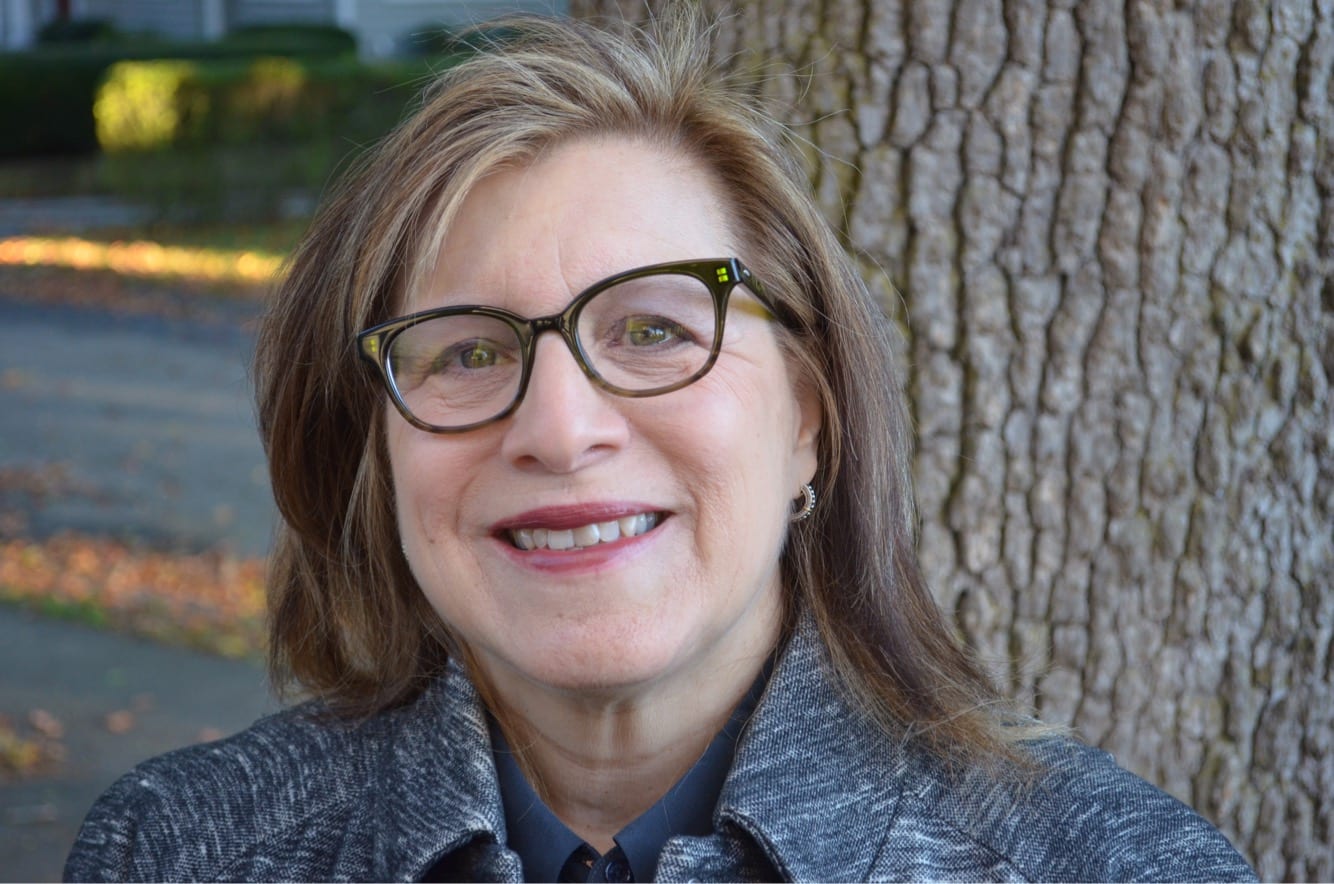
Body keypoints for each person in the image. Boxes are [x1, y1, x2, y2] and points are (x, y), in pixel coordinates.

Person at [65, 10, 1255, 882]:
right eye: (466, 350)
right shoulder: (175, 852)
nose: (559, 428)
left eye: (651, 331)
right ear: (374, 453)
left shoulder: (1108, 865)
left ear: (808, 418)